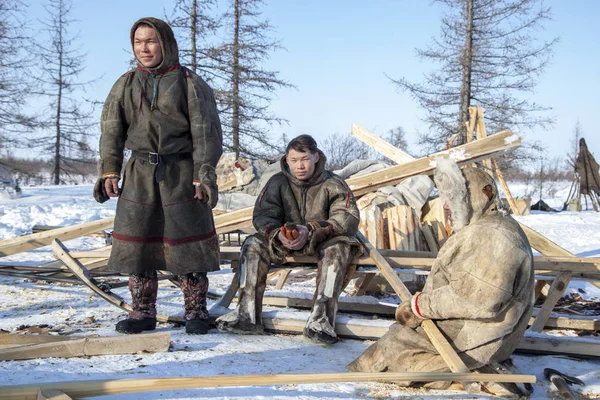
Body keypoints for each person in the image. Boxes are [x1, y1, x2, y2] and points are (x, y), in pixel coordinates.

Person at [348, 159, 534, 387]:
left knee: (394, 354)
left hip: (478, 335)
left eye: (454, 200)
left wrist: (420, 306)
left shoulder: (493, 236)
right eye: (446, 199)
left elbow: (478, 300)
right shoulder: (484, 226)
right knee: (390, 342)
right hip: (463, 324)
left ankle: (480, 375)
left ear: (476, 198)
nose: (446, 206)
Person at [93, 17, 223, 335]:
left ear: (165, 43)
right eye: (138, 42)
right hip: (139, 173)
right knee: (138, 246)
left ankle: (195, 311)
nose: (144, 48)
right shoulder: (125, 84)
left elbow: (207, 133)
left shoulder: (190, 83)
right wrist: (109, 169)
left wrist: (202, 174)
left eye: (151, 41)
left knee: (188, 246)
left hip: (182, 173)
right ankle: (143, 312)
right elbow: (111, 130)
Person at [216, 135, 361, 344]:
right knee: (252, 243)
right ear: (287, 159)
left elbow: (346, 218)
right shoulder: (277, 182)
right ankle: (246, 316)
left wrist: (312, 230)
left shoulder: (333, 183)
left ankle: (320, 322)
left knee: (339, 247)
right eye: (294, 160)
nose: (299, 166)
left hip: (321, 242)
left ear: (316, 157)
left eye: (304, 159)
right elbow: (263, 214)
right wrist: (277, 234)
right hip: (283, 243)